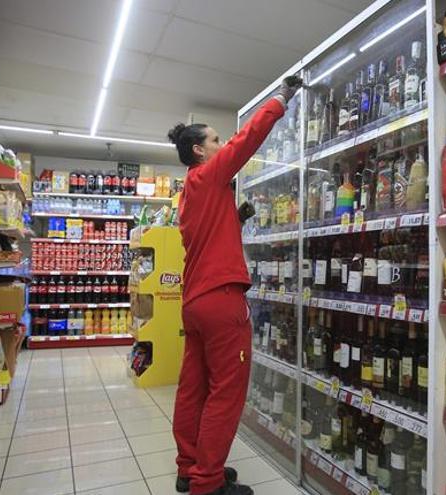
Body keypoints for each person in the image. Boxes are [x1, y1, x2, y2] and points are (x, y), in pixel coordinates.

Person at [167, 75, 303, 495]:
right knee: (226, 392)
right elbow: (248, 140)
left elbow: (205, 237)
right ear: (198, 151)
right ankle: (208, 483)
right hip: (223, 301)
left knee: (194, 387)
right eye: (214, 140)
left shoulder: (189, 194)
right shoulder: (207, 175)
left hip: (195, 302)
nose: (221, 144)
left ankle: (189, 469)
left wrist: (236, 218)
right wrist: (282, 97)